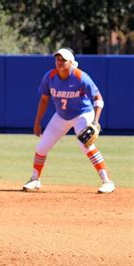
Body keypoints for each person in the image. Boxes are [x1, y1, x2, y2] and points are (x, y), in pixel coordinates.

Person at [23, 48, 115, 194]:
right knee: (42, 147)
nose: (59, 62)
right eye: (57, 59)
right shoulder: (50, 77)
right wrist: (37, 122)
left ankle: (107, 181)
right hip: (61, 116)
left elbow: (98, 98)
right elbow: (44, 100)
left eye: (63, 60)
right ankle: (35, 179)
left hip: (82, 114)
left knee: (85, 144)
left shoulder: (80, 77)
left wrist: (96, 122)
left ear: (71, 62)